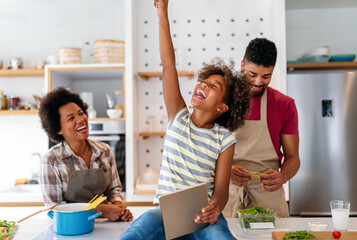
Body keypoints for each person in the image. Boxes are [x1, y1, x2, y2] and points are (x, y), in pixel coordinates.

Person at [120, 0, 251, 239]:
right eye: (204, 81)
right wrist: (162, 14)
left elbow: (221, 190)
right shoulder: (178, 116)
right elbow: (169, 65)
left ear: (223, 106)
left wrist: (216, 208)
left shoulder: (224, 139)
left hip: (205, 216)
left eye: (214, 86)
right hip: (165, 213)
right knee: (136, 233)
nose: (203, 85)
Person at [222, 38, 300, 218]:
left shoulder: (284, 104)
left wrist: (283, 176)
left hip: (268, 194)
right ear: (242, 65)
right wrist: (225, 171)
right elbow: (203, 152)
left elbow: (293, 158)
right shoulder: (221, 99)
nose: (258, 82)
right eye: (252, 74)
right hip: (226, 193)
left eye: (266, 76)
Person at [38, 87, 133, 222]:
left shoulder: (104, 151)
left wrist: (119, 210)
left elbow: (114, 191)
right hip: (71, 229)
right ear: (58, 129)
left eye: (81, 113)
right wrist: (99, 210)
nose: (81, 119)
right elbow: (54, 208)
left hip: (107, 225)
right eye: (71, 118)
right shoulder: (51, 160)